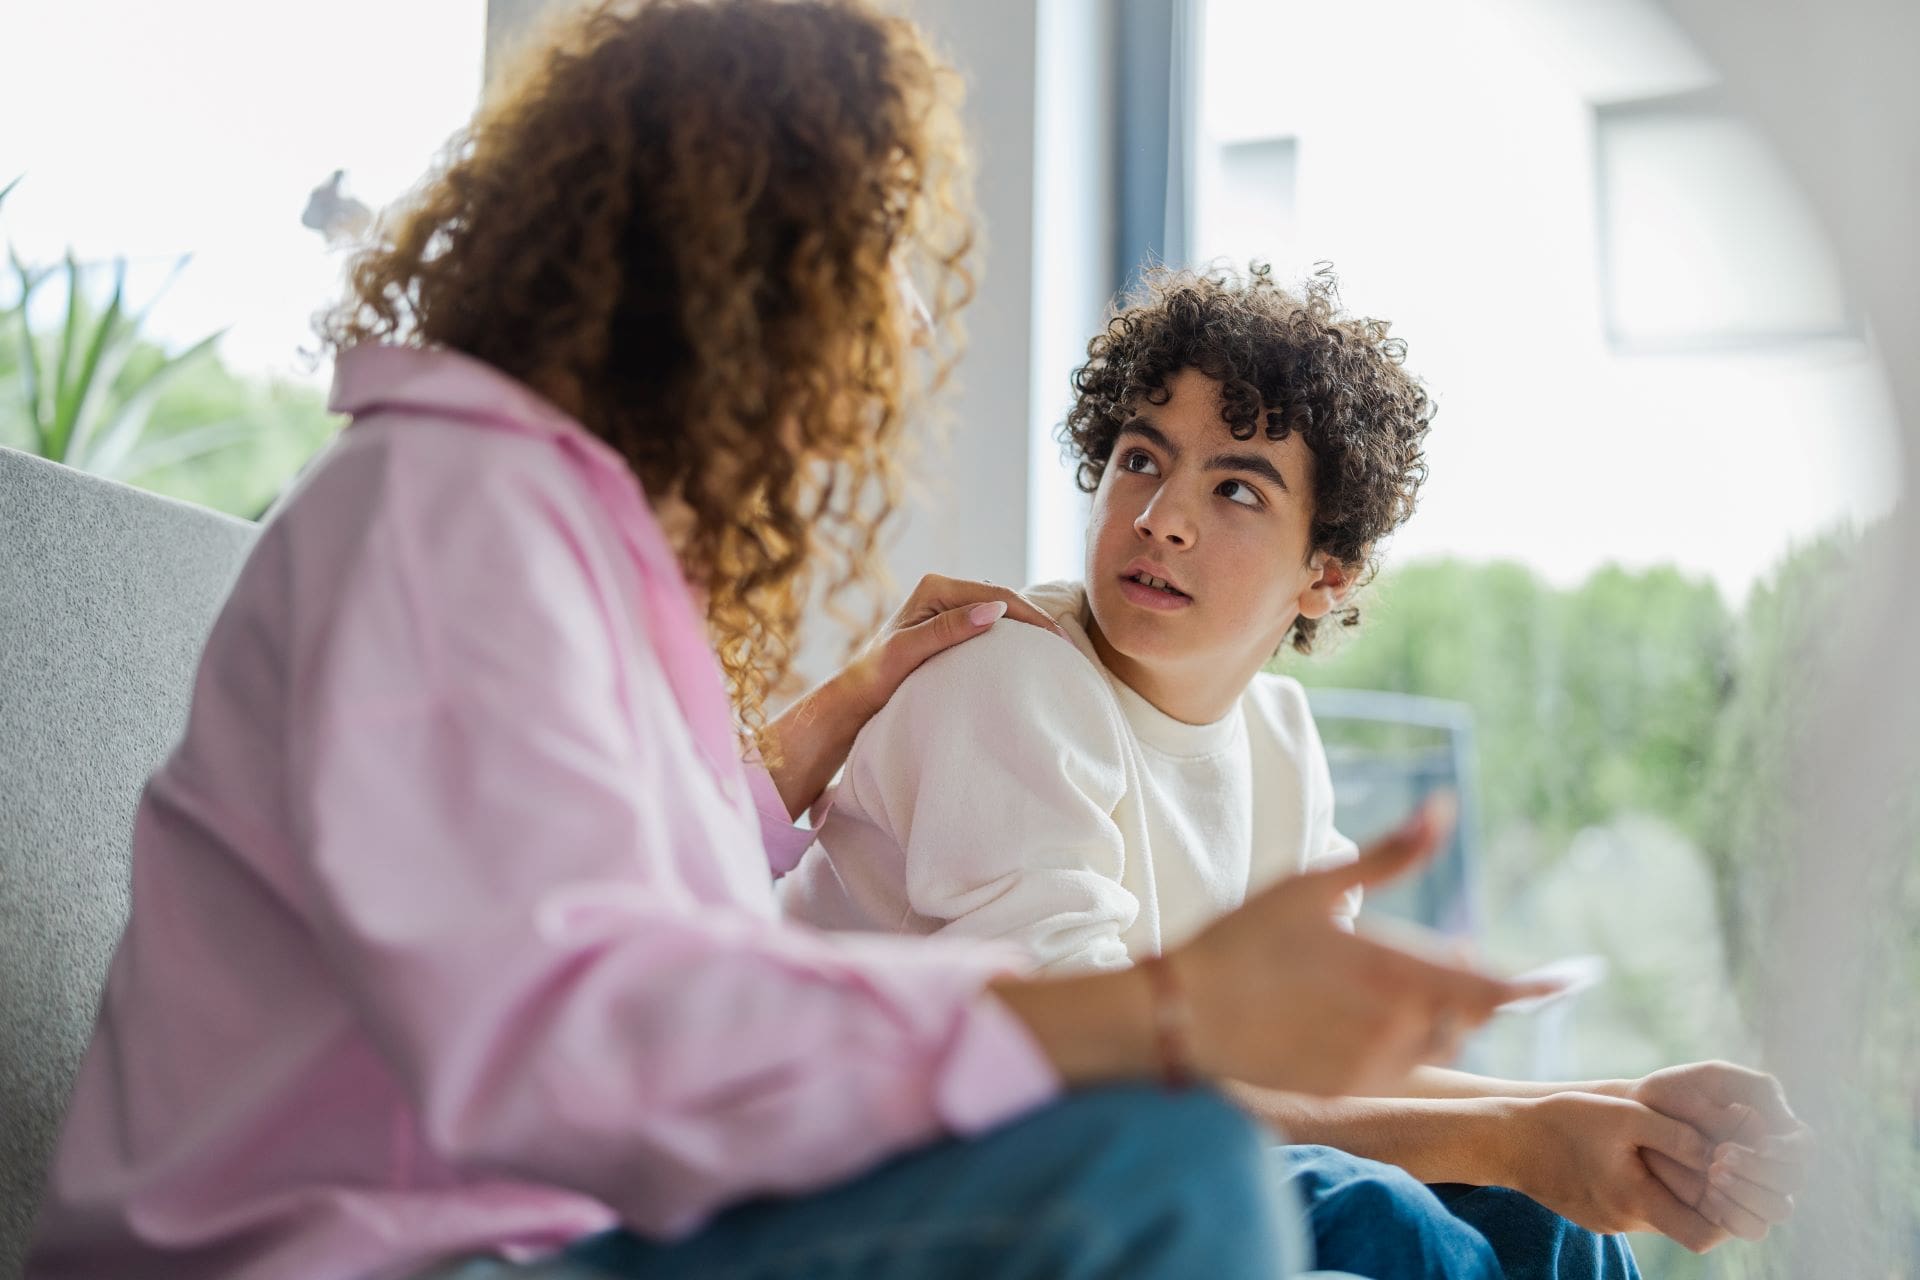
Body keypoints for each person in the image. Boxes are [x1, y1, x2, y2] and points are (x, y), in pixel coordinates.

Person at [23, 4, 1543, 1278]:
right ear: (752, 289)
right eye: (854, 273)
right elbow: (566, 1035)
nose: (870, 337)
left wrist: (841, 711)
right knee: (1167, 1177)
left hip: (532, 1222)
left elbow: (604, 891)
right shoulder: (445, 510)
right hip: (370, 1253)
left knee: (1407, 1207)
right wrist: (1152, 1015)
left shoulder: (563, 533)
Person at [778, 265, 1813, 1279]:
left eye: (1235, 486)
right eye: (1141, 457)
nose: (1161, 515)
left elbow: (1304, 1061)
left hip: (1110, 1156)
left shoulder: (1279, 736)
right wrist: (1518, 1132)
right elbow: (1094, 1087)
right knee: (1384, 1221)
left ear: (1326, 573)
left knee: (1556, 1229)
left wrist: (1619, 1114)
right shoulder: (1009, 675)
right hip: (908, 1180)